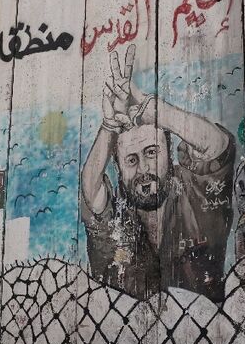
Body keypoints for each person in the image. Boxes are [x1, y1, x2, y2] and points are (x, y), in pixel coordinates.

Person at [80, 44, 235, 303]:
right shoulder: (116, 219)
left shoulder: (195, 197)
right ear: (118, 167)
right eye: (131, 160)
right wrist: (109, 126)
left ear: (168, 153)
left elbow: (217, 146)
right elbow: (90, 191)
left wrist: (155, 110)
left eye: (152, 152)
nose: (143, 170)